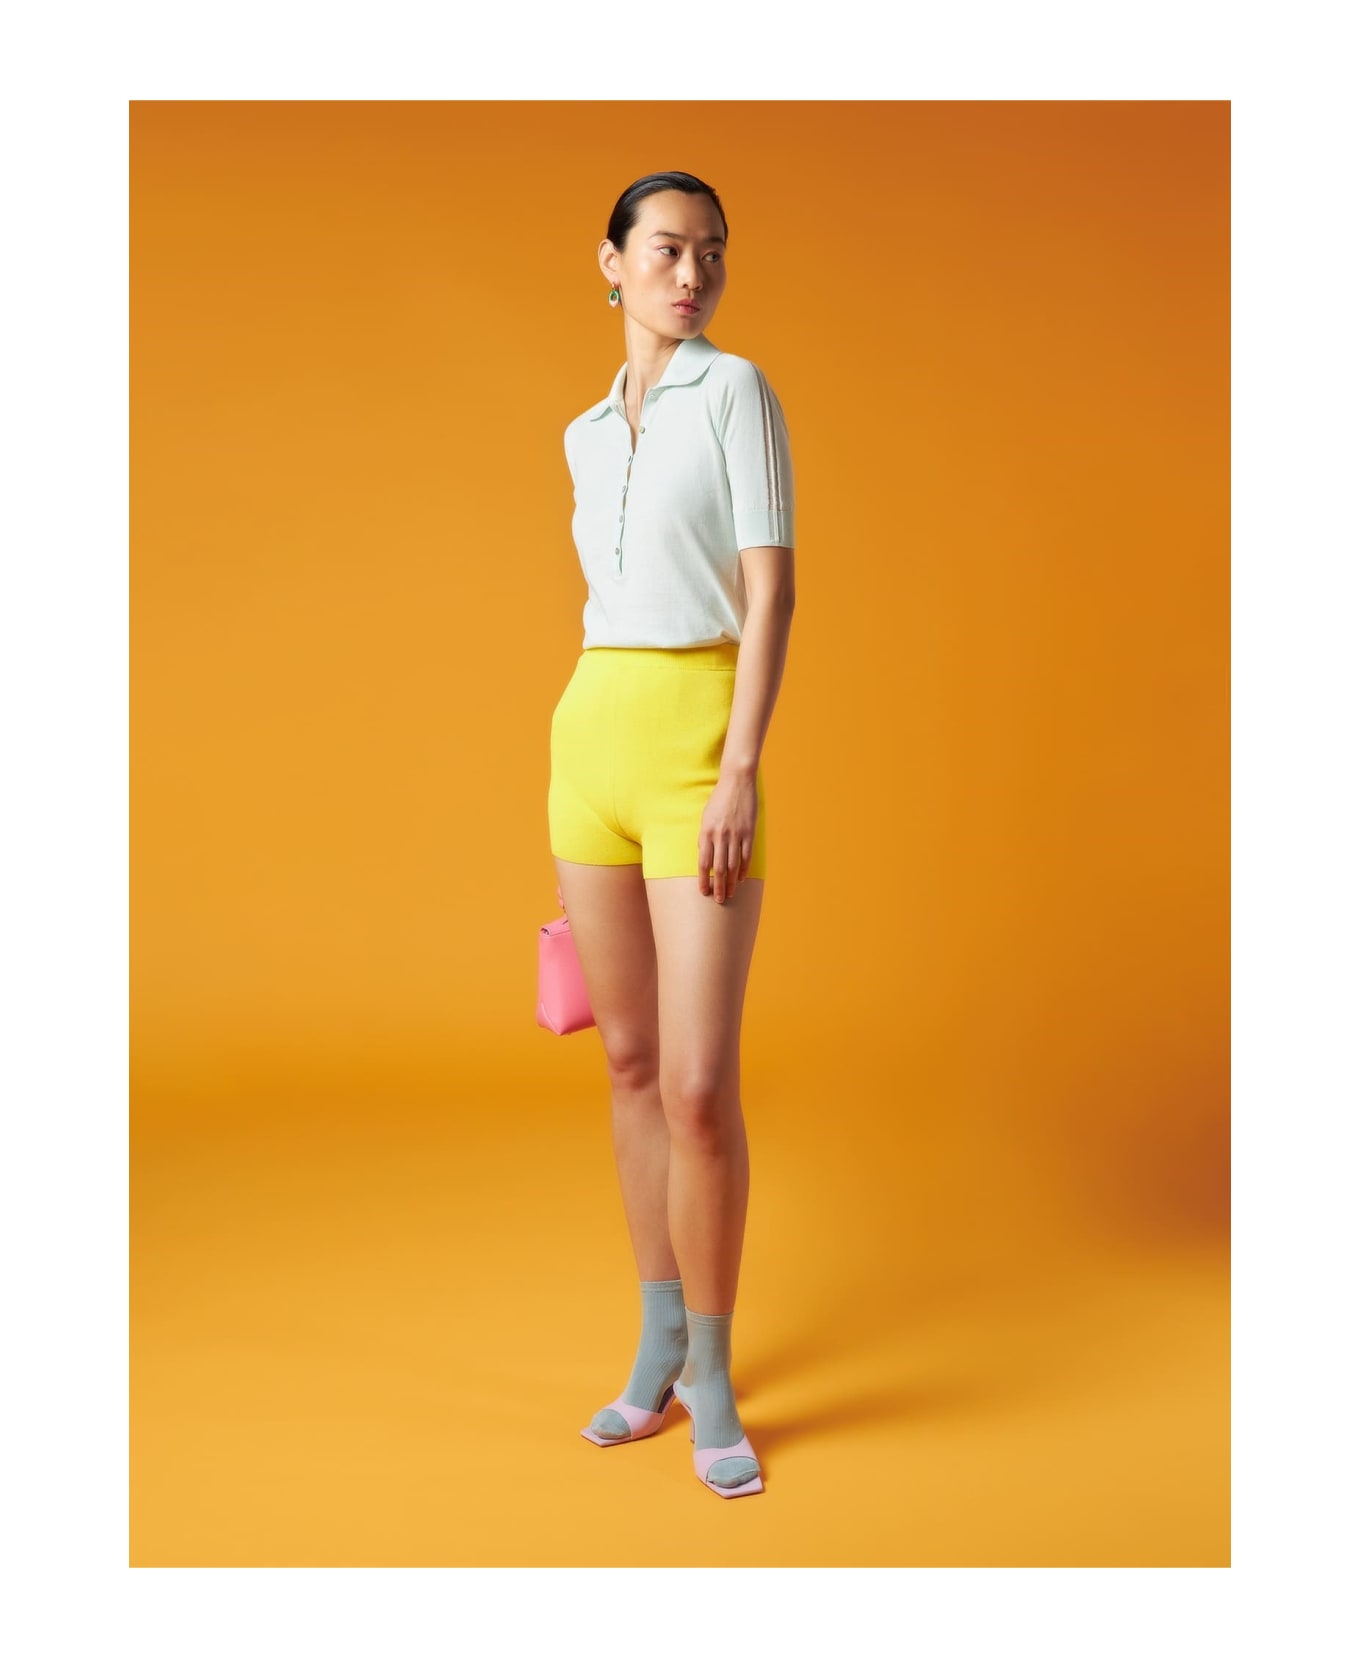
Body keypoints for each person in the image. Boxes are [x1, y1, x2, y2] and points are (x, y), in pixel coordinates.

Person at [548, 171, 795, 1500]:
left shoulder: (736, 391)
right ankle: (655, 1351)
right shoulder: (586, 432)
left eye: (711, 252)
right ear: (613, 263)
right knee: (631, 1062)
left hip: (701, 747)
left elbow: (771, 589)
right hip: (589, 743)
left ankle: (716, 1371)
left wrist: (739, 768)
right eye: (665, 248)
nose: (690, 273)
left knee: (700, 1085)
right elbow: (612, 599)